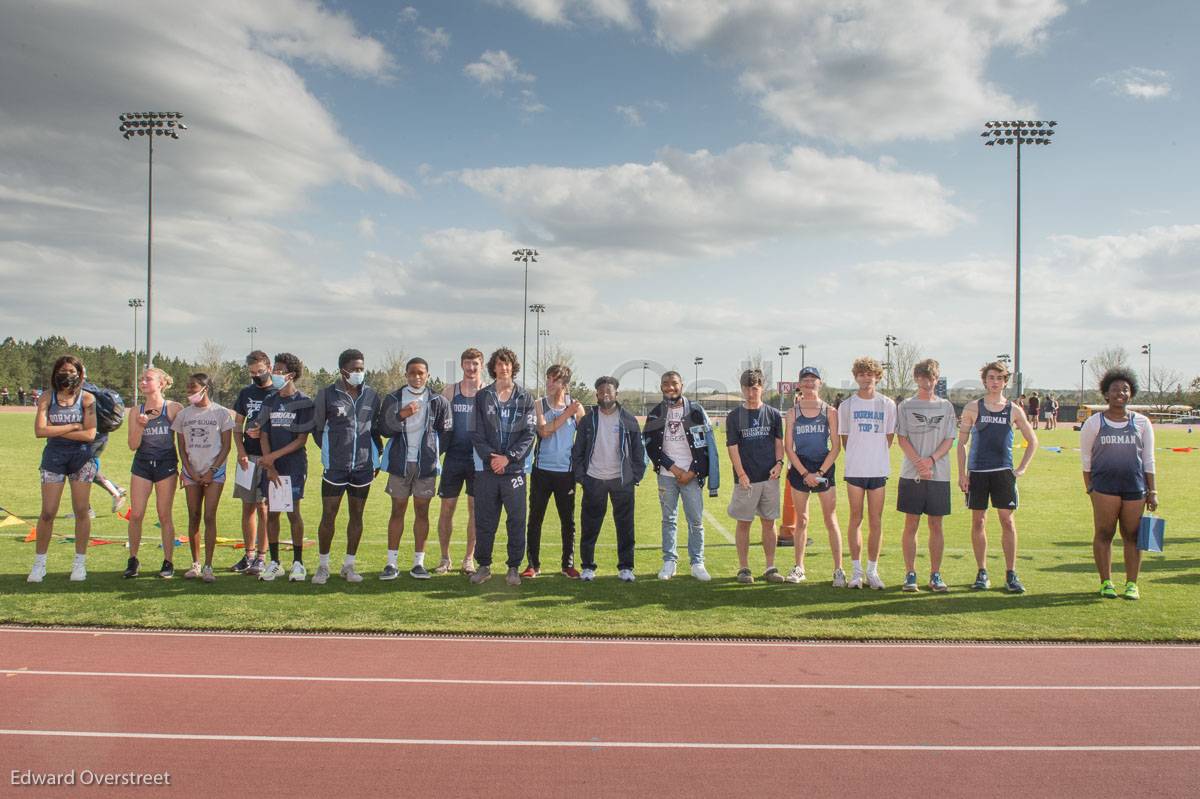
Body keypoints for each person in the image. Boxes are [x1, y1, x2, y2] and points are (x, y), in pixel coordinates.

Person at [957, 361, 1038, 593]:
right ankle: (982, 572)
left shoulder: (1013, 409)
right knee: (978, 521)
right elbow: (961, 443)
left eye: (999, 378)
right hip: (978, 473)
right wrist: (962, 474)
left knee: (1007, 521)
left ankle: (1011, 573)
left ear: (1005, 381)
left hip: (1003, 473)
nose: (994, 382)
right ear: (985, 380)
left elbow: (1033, 441)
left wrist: (1020, 469)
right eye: (990, 377)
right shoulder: (973, 408)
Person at [1081, 368, 1157, 600]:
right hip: (1104, 488)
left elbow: (1149, 459)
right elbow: (1086, 459)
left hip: (1135, 488)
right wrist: (1090, 489)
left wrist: (1152, 490)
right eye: (1114, 389)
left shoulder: (1142, 422)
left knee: (1133, 536)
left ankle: (1132, 584)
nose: (1120, 393)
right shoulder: (1094, 423)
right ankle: (1106, 582)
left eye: (1125, 389)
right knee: (1104, 533)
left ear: (1131, 393)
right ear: (1106, 394)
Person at [311, 349, 383, 585]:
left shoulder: (372, 396)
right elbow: (318, 429)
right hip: (335, 468)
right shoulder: (326, 395)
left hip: (363, 467)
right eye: (354, 369)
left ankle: (349, 566)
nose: (358, 373)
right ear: (342, 370)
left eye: (361, 368)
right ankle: (323, 566)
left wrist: (377, 456)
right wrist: (332, 453)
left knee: (357, 516)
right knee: (328, 515)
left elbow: (374, 430)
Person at [378, 357, 451, 580]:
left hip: (425, 467)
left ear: (427, 375)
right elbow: (383, 429)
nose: (416, 377)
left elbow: (446, 434)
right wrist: (402, 414)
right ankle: (391, 563)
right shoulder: (393, 398)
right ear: (406, 374)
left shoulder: (438, 400)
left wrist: (431, 454)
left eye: (421, 373)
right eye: (412, 373)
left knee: (422, 512)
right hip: (400, 464)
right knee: (397, 510)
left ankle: (418, 563)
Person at [643, 370, 719, 581]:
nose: (670, 387)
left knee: (695, 520)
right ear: (661, 387)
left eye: (674, 383)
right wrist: (675, 470)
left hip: (692, 476)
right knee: (669, 519)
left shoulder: (695, 411)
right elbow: (652, 449)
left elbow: (706, 446)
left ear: (682, 385)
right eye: (666, 383)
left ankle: (697, 562)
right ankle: (669, 561)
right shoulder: (656, 413)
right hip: (667, 476)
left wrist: (692, 472)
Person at [469, 347, 536, 586]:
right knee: (485, 520)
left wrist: (508, 458)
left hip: (514, 471)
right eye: (499, 364)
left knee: (516, 520)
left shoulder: (525, 397)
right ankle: (484, 566)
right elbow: (476, 434)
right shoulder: (483, 396)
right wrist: (492, 458)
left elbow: (529, 435)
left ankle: (513, 568)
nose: (504, 367)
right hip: (488, 471)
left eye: (507, 364)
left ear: (513, 367)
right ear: (494, 368)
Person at [28, 356, 97, 583]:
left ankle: (80, 563)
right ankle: (39, 564)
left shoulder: (87, 398)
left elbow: (89, 434)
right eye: (62, 370)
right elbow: (39, 431)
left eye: (70, 370)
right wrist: (72, 426)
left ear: (79, 374)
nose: (66, 374)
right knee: (48, 512)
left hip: (81, 458)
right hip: (54, 457)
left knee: (81, 511)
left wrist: (55, 429)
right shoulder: (47, 397)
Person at [572, 376, 646, 582]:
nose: (605, 394)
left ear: (616, 394)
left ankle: (626, 567)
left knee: (625, 526)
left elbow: (639, 452)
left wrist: (635, 476)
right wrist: (582, 477)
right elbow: (577, 451)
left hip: (621, 481)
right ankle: (587, 567)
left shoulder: (628, 419)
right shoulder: (588, 419)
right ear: (596, 394)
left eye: (609, 391)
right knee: (590, 526)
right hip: (594, 480)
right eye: (601, 391)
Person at [895, 359, 957, 593]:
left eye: (931, 378)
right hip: (912, 474)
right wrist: (919, 464)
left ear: (936, 379)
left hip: (938, 474)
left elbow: (949, 439)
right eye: (922, 378)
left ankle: (935, 574)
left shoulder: (946, 406)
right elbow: (902, 438)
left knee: (936, 524)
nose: (927, 382)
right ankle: (910, 573)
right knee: (911, 523)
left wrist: (930, 461)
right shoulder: (906, 406)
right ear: (916, 379)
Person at [837, 357, 897, 589]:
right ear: (856, 377)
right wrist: (860, 455)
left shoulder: (888, 405)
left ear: (877, 377)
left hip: (878, 469)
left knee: (876, 520)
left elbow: (889, 438)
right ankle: (856, 572)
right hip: (855, 470)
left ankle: (872, 570)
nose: (865, 378)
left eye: (869, 374)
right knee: (855, 518)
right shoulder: (847, 406)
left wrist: (874, 454)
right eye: (861, 374)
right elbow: (845, 439)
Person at [523, 364, 585, 578]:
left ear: (564, 384)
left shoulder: (577, 407)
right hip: (541, 471)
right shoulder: (539, 404)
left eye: (554, 380)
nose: (549, 383)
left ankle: (567, 565)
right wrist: (567, 413)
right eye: (548, 378)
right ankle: (533, 565)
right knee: (535, 518)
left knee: (567, 520)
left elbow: (585, 439)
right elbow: (544, 431)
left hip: (566, 474)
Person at [255, 353, 313, 582]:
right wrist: (269, 464)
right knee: (272, 512)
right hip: (272, 465)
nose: (274, 374)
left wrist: (273, 458)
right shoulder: (270, 401)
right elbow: (264, 434)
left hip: (294, 464)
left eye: (279, 370)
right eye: (274, 370)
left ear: (291, 374)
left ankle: (298, 563)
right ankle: (275, 562)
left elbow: (301, 439)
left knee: (293, 512)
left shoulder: (304, 402)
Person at [783, 366, 844, 585]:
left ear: (820, 383)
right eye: (805, 379)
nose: (809, 383)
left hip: (823, 467)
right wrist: (805, 473)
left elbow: (836, 447)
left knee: (831, 519)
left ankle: (839, 570)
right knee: (802, 520)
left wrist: (818, 473)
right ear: (799, 384)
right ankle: (799, 568)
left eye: (813, 379)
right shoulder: (792, 413)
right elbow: (788, 447)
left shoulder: (830, 411)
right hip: (801, 468)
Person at [172, 373, 234, 583]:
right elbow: (181, 447)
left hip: (214, 472)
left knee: (209, 516)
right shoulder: (183, 415)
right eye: (188, 389)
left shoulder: (222, 413)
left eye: (193, 389)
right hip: (192, 472)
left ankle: (208, 566)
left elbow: (226, 446)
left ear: (205, 389)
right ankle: (195, 564)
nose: (190, 393)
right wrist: (189, 469)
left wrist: (212, 469)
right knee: (194, 515)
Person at [726, 369, 786, 584]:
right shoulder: (734, 416)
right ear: (741, 389)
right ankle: (744, 568)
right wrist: (741, 473)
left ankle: (770, 567)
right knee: (744, 523)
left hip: (769, 478)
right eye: (746, 388)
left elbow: (779, 443)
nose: (751, 393)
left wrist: (779, 464)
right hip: (746, 479)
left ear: (761, 388)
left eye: (755, 388)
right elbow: (732, 448)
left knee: (769, 522)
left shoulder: (773, 414)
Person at [124, 367, 182, 579]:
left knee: (164, 514)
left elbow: (183, 440)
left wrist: (186, 468)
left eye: (148, 379)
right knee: (137, 514)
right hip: (142, 465)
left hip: (166, 465)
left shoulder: (173, 408)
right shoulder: (135, 410)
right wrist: (140, 426)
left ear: (161, 383)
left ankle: (168, 561)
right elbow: (132, 444)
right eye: (142, 379)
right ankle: (133, 559)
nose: (143, 382)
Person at [437, 348, 484, 575]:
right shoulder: (450, 391)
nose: (471, 367)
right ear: (462, 365)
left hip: (478, 460)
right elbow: (437, 422)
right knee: (447, 508)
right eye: (467, 363)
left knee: (475, 509)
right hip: (454, 458)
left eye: (475, 363)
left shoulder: (488, 392)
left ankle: (469, 559)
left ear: (481, 366)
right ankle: (445, 558)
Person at [230, 351, 274, 575]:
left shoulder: (278, 392)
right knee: (247, 506)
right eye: (252, 372)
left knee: (263, 507)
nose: (257, 376)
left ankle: (262, 557)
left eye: (260, 371)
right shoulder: (246, 393)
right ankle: (248, 555)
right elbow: (237, 425)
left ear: (269, 367)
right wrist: (240, 450)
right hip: (247, 458)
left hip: (268, 458)